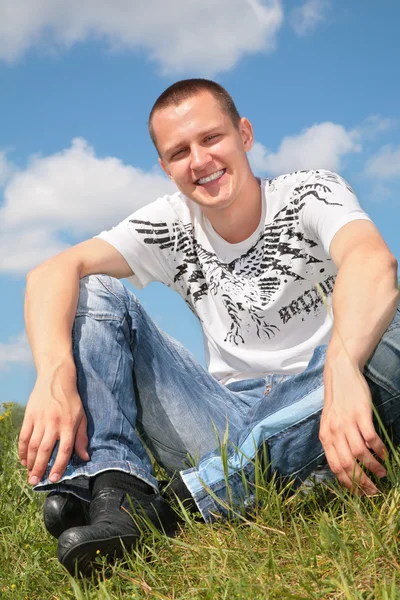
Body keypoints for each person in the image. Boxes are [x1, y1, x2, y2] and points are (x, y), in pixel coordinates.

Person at [19, 79, 400, 575]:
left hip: (325, 405)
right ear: (164, 166)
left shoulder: (310, 191)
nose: (199, 161)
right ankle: (116, 488)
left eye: (211, 138)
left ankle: (169, 507)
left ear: (244, 134)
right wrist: (55, 376)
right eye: (179, 152)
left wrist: (343, 368)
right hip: (218, 417)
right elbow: (49, 272)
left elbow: (372, 260)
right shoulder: (170, 222)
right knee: (91, 289)